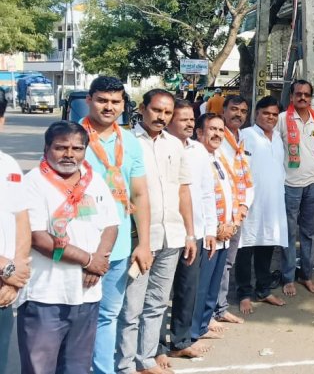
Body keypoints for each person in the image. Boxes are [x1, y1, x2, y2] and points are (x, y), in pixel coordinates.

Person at [18, 121, 119, 374]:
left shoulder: (92, 179)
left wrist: (98, 262)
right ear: (46, 147)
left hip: (87, 294)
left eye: (77, 148)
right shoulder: (32, 183)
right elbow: (38, 238)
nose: (69, 155)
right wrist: (87, 260)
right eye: (61, 148)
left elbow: (111, 225)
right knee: (39, 369)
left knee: (77, 368)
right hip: (45, 296)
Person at [117, 89, 196, 374]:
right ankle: (124, 365)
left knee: (158, 303)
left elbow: (183, 190)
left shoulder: (175, 145)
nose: (161, 117)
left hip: (172, 236)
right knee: (131, 307)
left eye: (167, 112)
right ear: (142, 108)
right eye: (156, 110)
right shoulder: (125, 142)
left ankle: (146, 359)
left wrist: (189, 234)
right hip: (140, 239)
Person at [82, 76, 152, 374]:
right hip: (80, 246)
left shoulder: (130, 143)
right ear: (89, 100)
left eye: (115, 101)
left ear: (124, 105)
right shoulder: (73, 138)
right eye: (102, 100)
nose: (108, 107)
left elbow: (139, 193)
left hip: (120, 246)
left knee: (108, 315)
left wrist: (144, 243)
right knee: (77, 315)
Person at [160, 99, 217, 360]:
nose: (189, 123)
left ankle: (181, 341)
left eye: (192, 119)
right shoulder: (158, 148)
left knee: (187, 288)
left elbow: (207, 192)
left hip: (193, 232)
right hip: (166, 230)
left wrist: (210, 230)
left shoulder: (198, 151)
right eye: (183, 119)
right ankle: (157, 347)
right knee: (159, 294)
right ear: (170, 120)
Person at [278, 80, 314, 296]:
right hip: (288, 185)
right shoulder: (282, 120)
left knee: (309, 233)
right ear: (291, 97)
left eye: (306, 94)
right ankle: (288, 277)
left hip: (313, 183)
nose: (303, 97)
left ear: (311, 98)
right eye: (298, 94)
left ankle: (307, 275)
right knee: (289, 233)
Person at [190, 114, 240, 346]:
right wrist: (215, 227)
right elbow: (195, 198)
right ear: (199, 132)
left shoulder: (218, 157)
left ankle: (205, 320)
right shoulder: (194, 157)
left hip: (224, 231)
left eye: (221, 130)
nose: (217, 134)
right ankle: (194, 329)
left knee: (213, 282)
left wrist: (231, 223)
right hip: (207, 233)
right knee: (201, 285)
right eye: (212, 129)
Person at [237, 96, 288, 313]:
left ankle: (263, 289)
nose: (270, 117)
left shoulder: (277, 137)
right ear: (256, 113)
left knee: (267, 245)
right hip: (250, 203)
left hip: (273, 202)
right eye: (266, 113)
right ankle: (244, 294)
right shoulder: (246, 135)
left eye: (275, 114)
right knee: (245, 248)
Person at [214, 95, 253, 325]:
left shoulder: (241, 139)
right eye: (234, 109)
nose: (238, 114)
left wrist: (244, 206)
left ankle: (220, 308)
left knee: (227, 262)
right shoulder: (217, 138)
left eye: (243, 111)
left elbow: (246, 178)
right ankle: (210, 312)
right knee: (215, 263)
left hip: (238, 210)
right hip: (220, 213)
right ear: (224, 111)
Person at [0, 96, 30, 373]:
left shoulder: (8, 164)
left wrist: (15, 275)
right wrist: (7, 268)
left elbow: (22, 218)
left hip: (4, 288)